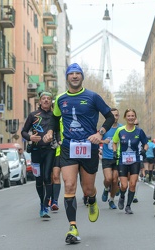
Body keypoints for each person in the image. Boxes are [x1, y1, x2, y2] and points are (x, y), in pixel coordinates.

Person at [43, 63, 115, 244]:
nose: (74, 76)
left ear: (82, 77)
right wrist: (51, 131)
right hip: (69, 147)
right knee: (69, 185)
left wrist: (100, 133)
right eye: (71, 74)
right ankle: (73, 227)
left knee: (88, 188)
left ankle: (92, 199)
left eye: (77, 74)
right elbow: (55, 118)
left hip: (89, 147)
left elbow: (110, 116)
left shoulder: (92, 97)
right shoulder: (60, 99)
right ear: (67, 77)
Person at [21, 91, 56, 220]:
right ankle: (42, 203)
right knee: (39, 179)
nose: (46, 100)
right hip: (36, 150)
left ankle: (46, 205)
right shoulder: (33, 115)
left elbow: (58, 131)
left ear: (51, 101)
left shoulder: (54, 115)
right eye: (44, 98)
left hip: (50, 150)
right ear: (40, 101)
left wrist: (58, 141)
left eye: (48, 98)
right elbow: (23, 131)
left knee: (47, 177)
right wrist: (30, 137)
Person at [112, 109, 148, 214]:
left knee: (132, 184)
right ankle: (122, 196)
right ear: (125, 117)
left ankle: (128, 206)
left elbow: (145, 143)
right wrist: (115, 152)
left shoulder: (139, 131)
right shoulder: (120, 130)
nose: (131, 118)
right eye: (128, 116)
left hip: (135, 160)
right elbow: (114, 142)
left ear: (135, 117)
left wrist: (144, 150)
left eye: (133, 116)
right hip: (123, 160)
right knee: (124, 185)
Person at [100, 108, 122, 210]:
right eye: (112, 115)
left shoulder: (122, 128)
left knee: (115, 180)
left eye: (116, 115)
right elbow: (97, 138)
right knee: (108, 179)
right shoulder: (105, 128)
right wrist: (103, 141)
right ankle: (105, 188)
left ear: (119, 116)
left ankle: (111, 200)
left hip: (118, 158)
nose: (115, 117)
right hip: (107, 157)